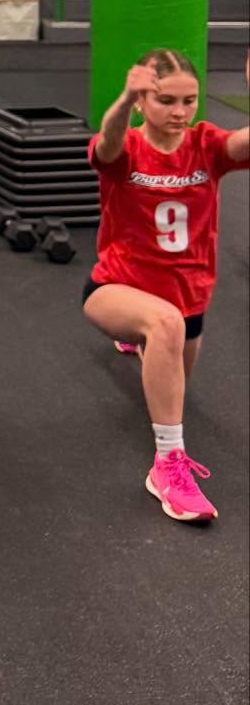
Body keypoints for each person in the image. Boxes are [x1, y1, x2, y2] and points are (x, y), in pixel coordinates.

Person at [82, 49, 248, 524]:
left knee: (174, 360)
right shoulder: (128, 147)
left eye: (188, 101)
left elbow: (240, 143)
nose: (178, 113)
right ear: (141, 103)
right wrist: (123, 100)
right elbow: (106, 145)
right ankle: (167, 467)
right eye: (164, 101)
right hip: (116, 284)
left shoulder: (206, 145)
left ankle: (143, 340)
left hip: (188, 294)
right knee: (164, 325)